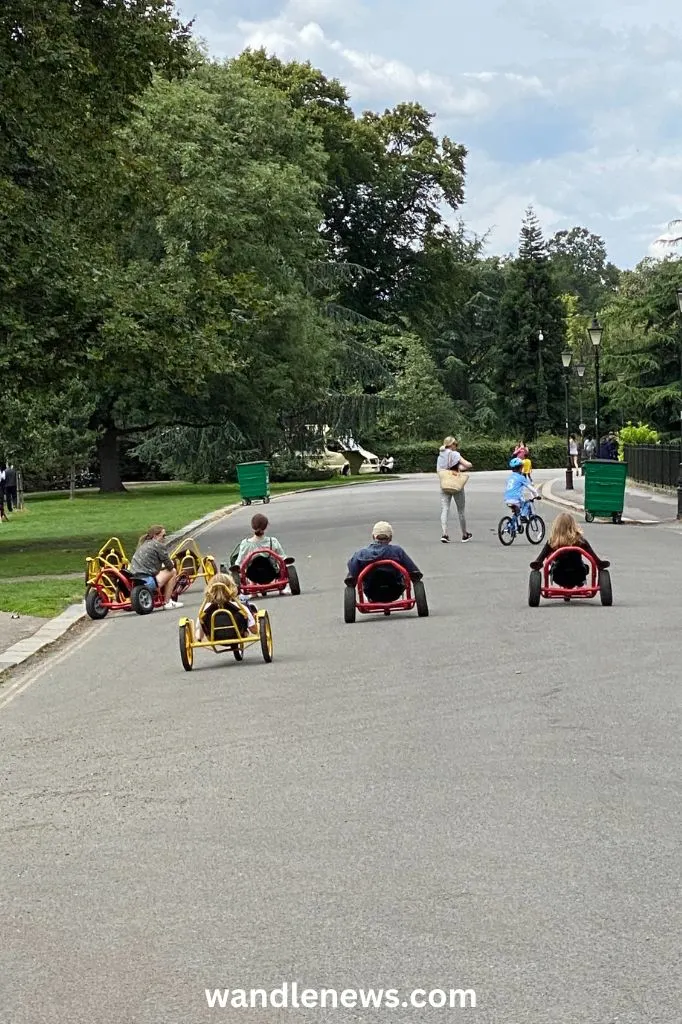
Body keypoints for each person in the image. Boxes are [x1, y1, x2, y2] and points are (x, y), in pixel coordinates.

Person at [346, 521, 421, 602]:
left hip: (372, 591)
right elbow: (414, 572)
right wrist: (415, 578)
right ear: (390, 537)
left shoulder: (361, 554)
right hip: (395, 590)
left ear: (373, 536)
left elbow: (351, 577)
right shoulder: (397, 551)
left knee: (356, 576)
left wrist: (352, 581)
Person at [530, 513, 610, 588]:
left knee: (550, 560)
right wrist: (599, 564)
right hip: (579, 575)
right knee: (583, 565)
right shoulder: (580, 541)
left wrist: (538, 564)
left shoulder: (552, 542)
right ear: (573, 526)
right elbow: (593, 557)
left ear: (556, 527)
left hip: (558, 576)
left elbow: (540, 560)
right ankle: (579, 582)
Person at [129, 524, 182, 609]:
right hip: (147, 581)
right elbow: (170, 566)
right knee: (173, 571)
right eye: (163, 536)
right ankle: (167, 602)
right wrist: (170, 564)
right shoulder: (158, 546)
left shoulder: (143, 544)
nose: (165, 538)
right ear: (155, 536)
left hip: (135, 580)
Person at [197, 573, 257, 641]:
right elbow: (254, 631)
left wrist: (199, 636)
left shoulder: (205, 609)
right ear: (232, 588)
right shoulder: (240, 608)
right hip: (239, 634)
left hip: (214, 637)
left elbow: (200, 636)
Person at [436, 435, 473, 544]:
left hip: (445, 483)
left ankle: (444, 533)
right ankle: (464, 534)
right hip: (456, 483)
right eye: (455, 444)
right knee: (460, 510)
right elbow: (468, 464)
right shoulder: (455, 454)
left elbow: (439, 470)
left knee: (445, 509)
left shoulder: (440, 456)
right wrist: (462, 467)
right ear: (451, 445)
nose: (456, 446)